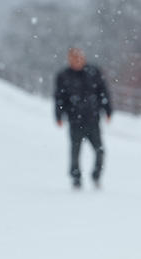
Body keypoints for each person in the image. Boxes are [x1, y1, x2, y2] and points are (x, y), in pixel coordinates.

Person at [54, 48, 113, 189]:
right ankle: (76, 178)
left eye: (79, 58)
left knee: (100, 151)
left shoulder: (94, 72)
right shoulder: (63, 76)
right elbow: (59, 98)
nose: (76, 61)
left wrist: (108, 110)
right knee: (75, 152)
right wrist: (58, 115)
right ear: (69, 60)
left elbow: (103, 92)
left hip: (93, 120)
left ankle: (96, 175)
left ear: (84, 58)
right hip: (75, 121)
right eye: (73, 58)